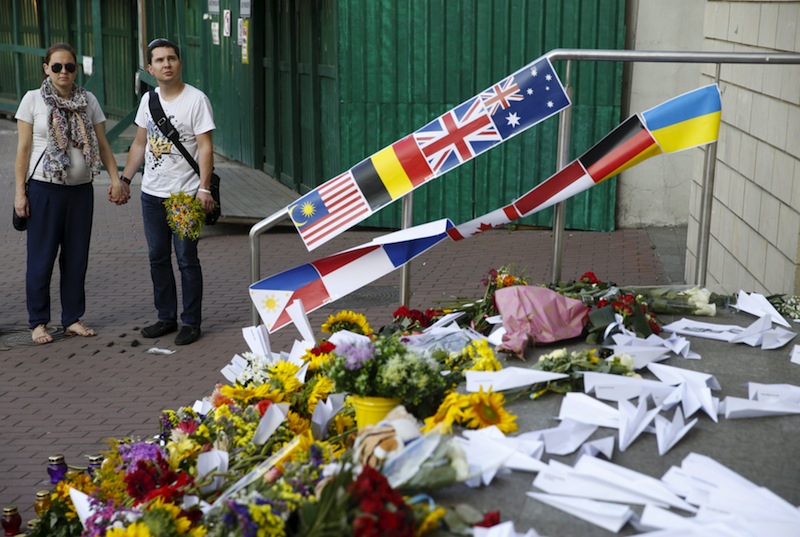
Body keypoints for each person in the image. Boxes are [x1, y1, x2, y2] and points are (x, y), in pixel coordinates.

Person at [14, 43, 128, 345]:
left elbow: (103, 145)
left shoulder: (87, 100)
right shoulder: (32, 100)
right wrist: (19, 194)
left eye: (69, 67)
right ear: (46, 68)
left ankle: (72, 318)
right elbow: (23, 150)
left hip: (80, 193)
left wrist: (116, 178)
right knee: (41, 259)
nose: (63, 72)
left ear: (76, 69)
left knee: (76, 259)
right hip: (43, 190)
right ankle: (38, 322)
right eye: (57, 66)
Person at [120, 38, 215, 346]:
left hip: (184, 196)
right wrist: (125, 179)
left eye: (171, 58)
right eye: (159, 60)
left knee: (186, 258)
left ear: (179, 63)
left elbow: (205, 146)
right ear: (150, 68)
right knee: (157, 257)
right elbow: (139, 143)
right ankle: (166, 317)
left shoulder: (196, 99)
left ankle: (191, 321)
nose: (166, 64)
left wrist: (204, 187)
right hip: (151, 195)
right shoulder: (148, 101)